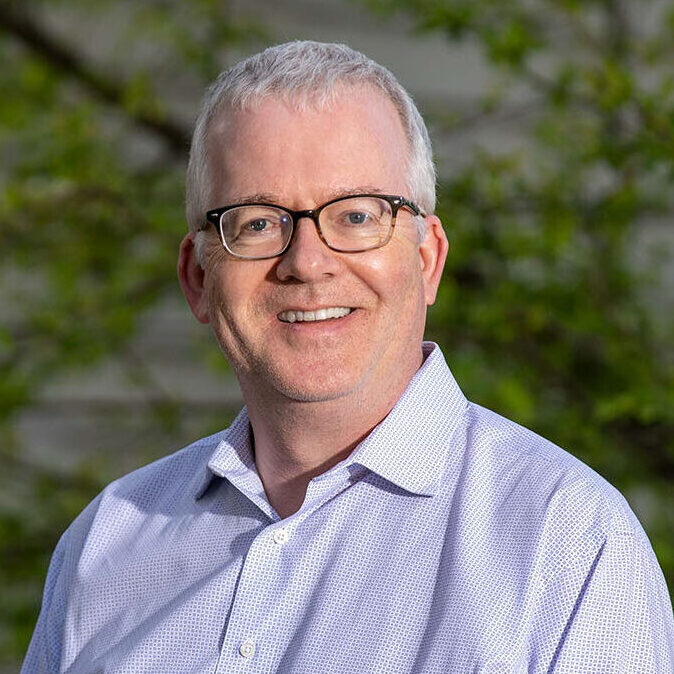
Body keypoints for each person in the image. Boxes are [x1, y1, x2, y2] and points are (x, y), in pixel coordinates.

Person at [23, 40, 673, 674]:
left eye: (358, 217)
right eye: (257, 222)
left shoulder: (569, 545)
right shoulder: (104, 545)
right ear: (197, 277)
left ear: (426, 260)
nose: (307, 262)